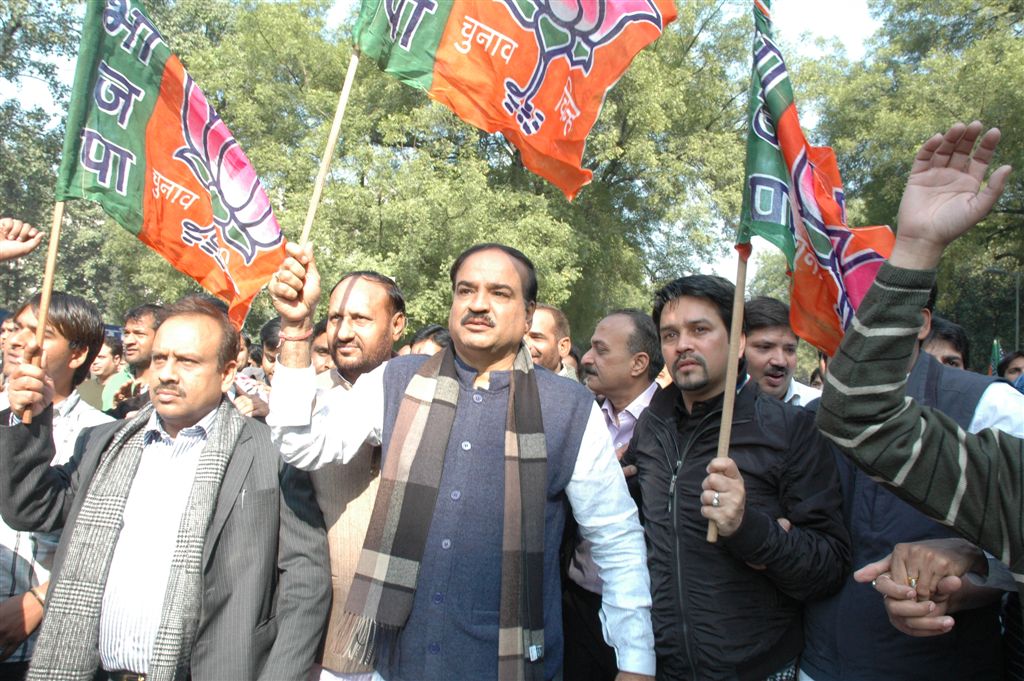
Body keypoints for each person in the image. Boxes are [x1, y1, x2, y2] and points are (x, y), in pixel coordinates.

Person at [267, 242, 654, 681]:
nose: (478, 304)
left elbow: (615, 538)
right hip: (400, 664)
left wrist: (636, 659)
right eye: (465, 290)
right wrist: (297, 330)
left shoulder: (569, 407)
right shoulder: (397, 381)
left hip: (512, 666)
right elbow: (300, 443)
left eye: (499, 293)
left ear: (528, 315)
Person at [0, 296, 330, 679]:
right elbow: (31, 508)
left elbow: (305, 583)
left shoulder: (271, 455)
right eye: (160, 359)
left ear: (226, 374)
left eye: (187, 361)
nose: (167, 374)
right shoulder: (102, 444)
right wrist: (27, 421)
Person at [800, 126, 1024, 681]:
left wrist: (962, 572)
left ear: (918, 323)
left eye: (878, 305)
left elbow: (998, 568)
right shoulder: (819, 416)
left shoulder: (990, 403)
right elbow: (861, 416)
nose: (858, 328)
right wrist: (918, 245)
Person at [625, 274, 849, 681]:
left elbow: (829, 567)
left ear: (739, 341)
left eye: (700, 329)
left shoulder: (790, 429)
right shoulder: (651, 426)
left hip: (760, 668)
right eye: (670, 334)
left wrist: (749, 528)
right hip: (664, 666)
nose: (684, 345)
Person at [287, 270, 406, 681]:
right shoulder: (301, 399)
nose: (343, 332)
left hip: (408, 645)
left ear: (397, 324)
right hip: (325, 646)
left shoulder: (425, 397)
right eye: (335, 318)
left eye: (360, 319)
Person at [0, 292, 111, 680]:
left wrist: (40, 600)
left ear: (77, 354)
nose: (19, 341)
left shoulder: (102, 435)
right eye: (15, 328)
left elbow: (107, 542)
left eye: (39, 332)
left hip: (45, 645)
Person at [565, 309, 663, 681]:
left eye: (601, 350)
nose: (587, 359)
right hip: (578, 601)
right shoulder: (581, 415)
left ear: (639, 363)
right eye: (589, 348)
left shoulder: (674, 423)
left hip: (647, 610)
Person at [743, 296, 820, 405]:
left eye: (790, 350)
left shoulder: (820, 410)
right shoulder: (717, 410)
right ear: (739, 348)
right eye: (765, 347)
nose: (780, 361)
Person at [109, 304, 167, 419]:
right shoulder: (115, 383)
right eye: (126, 333)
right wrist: (122, 409)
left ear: (162, 336)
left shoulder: (173, 383)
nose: (128, 341)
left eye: (139, 334)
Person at [526, 303, 578, 380]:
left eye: (536, 337)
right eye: (520, 337)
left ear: (563, 347)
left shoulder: (575, 391)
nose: (525, 344)